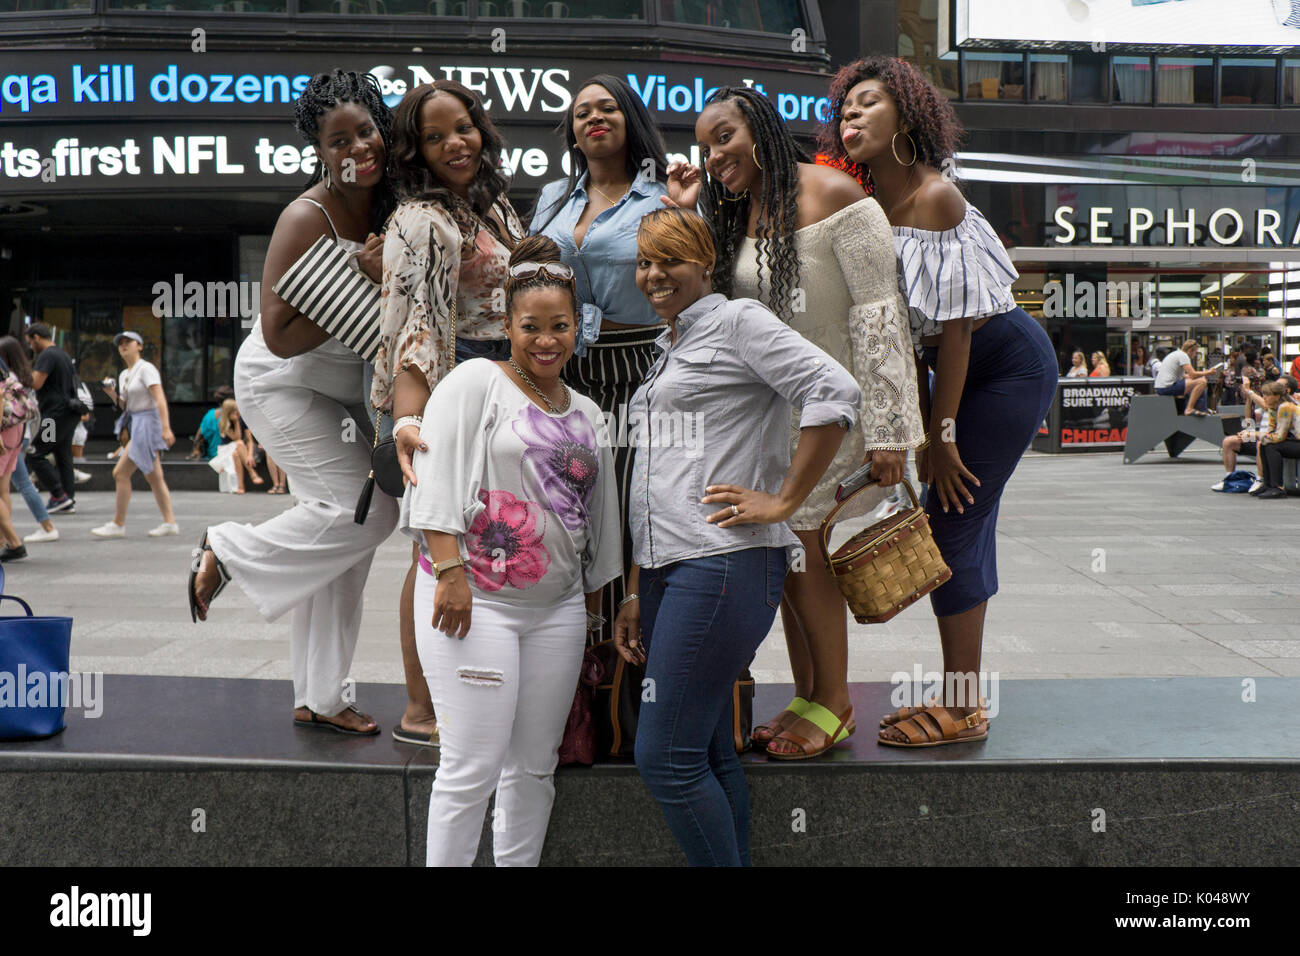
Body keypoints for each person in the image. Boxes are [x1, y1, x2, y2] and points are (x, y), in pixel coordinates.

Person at [670, 84, 922, 759]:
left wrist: (893, 431)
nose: (715, 154)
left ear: (757, 122)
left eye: (724, 136)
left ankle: (836, 700)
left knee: (805, 547)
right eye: (704, 146)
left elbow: (881, 317)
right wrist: (688, 207)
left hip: (839, 414)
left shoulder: (839, 195)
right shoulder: (735, 214)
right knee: (787, 557)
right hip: (773, 422)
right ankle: (810, 693)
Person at [610, 208, 859, 866]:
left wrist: (786, 500)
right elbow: (656, 482)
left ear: (706, 264)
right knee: (710, 751)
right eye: (644, 261)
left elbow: (833, 389)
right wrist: (637, 589)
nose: (654, 273)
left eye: (670, 259)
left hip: (724, 565)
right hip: (670, 570)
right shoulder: (668, 347)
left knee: (664, 756)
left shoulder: (738, 323)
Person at [823, 56, 1058, 747]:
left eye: (868, 104)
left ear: (908, 116)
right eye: (845, 110)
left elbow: (955, 333)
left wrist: (942, 437)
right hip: (944, 372)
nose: (852, 117)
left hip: (1004, 364)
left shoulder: (935, 197)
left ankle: (962, 706)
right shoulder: (865, 204)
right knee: (958, 522)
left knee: (951, 521)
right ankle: (962, 695)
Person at [192, 70, 400, 737]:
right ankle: (227, 547)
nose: (356, 148)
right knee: (365, 514)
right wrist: (361, 282)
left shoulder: (391, 202)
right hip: (280, 383)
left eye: (364, 131)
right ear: (318, 150)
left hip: (344, 395)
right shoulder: (305, 216)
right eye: (338, 140)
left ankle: (322, 696)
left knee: (343, 540)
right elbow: (279, 335)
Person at [406, 234, 621, 867]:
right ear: (507, 325)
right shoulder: (475, 382)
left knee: (533, 768)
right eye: (531, 326)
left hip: (556, 611)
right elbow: (436, 478)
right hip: (474, 601)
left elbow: (598, 519)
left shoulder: (588, 412)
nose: (546, 339)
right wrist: (448, 572)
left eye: (560, 326)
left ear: (579, 328)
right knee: (472, 765)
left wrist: (600, 602)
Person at [374, 79, 527, 747]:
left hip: (506, 383)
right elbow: (421, 330)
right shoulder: (423, 220)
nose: (453, 143)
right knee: (435, 546)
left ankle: (475, 685)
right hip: (452, 387)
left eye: (460, 127)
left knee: (485, 536)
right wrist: (410, 422)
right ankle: (420, 708)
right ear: (416, 151)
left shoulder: (490, 206)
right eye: (434, 137)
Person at [529, 74, 670, 644]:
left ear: (629, 119)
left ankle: (632, 661)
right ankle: (579, 663)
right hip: (564, 372)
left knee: (633, 509)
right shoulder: (552, 199)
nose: (594, 118)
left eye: (607, 108)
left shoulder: (666, 196)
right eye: (582, 111)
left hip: (637, 366)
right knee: (572, 510)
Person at [92, 331, 179, 538]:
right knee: (155, 477)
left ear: (139, 346)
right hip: (138, 423)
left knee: (121, 473)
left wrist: (165, 427)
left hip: (147, 423)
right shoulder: (124, 374)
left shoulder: (146, 369)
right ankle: (169, 522)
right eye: (120, 343)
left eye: (127, 342)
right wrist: (112, 393)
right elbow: (125, 405)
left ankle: (118, 523)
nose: (123, 346)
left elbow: (159, 398)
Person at [0, 337, 59, 545]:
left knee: (20, 485)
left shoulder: (5, 378)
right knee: (7, 488)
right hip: (20, 435)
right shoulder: (23, 377)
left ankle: (25, 535)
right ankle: (5, 539)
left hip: (6, 435)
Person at [24, 322, 79, 514]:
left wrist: (22, 377)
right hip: (68, 414)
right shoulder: (63, 354)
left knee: (34, 453)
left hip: (52, 416)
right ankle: (68, 499)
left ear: (37, 338)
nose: (31, 347)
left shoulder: (46, 355)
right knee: (63, 455)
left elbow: (37, 383)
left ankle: (58, 495)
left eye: (30, 343)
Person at [0, 337, 42, 562]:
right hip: (15, 432)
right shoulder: (11, 372)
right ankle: (3, 540)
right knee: (3, 490)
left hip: (2, 432)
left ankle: (14, 542)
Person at [1254, 380, 1300, 499]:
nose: (1264, 398)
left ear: (1277, 396)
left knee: (1272, 446)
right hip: (1294, 440)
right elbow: (1270, 431)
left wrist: (1255, 434)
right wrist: (1259, 436)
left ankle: (1276, 486)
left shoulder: (1285, 407)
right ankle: (1268, 484)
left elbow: (1279, 436)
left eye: (1267, 395)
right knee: (1264, 443)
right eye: (1263, 395)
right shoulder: (1273, 408)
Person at [1154, 339, 1212, 416]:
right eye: (1195, 352)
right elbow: (1192, 375)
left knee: (1200, 381)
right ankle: (1189, 409)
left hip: (1161, 387)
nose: (1195, 355)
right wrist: (1208, 372)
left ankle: (1202, 408)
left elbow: (1185, 376)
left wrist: (1201, 376)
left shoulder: (1177, 354)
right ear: (1190, 350)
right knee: (1202, 382)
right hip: (1166, 388)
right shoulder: (1183, 356)